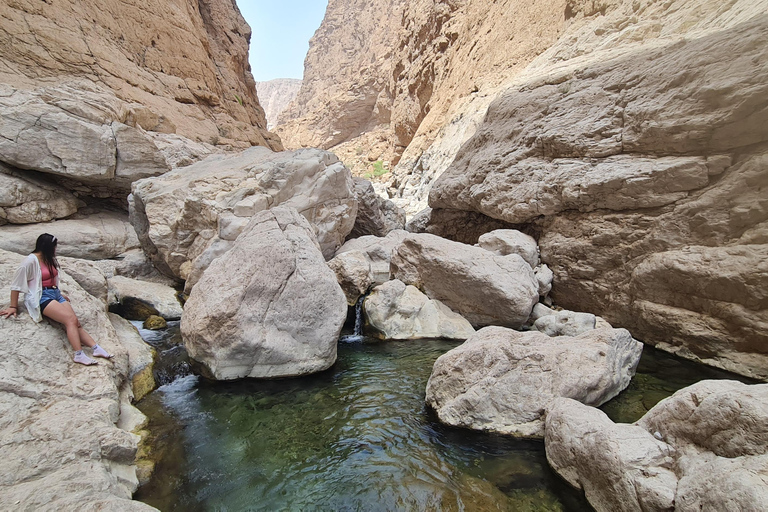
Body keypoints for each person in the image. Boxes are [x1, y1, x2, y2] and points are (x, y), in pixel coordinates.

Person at [0, 233, 113, 365]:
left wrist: (58, 292)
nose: (56, 249)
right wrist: (13, 306)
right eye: (54, 247)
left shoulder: (48, 259)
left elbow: (53, 278)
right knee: (70, 320)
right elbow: (17, 285)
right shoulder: (30, 261)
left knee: (75, 321)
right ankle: (79, 354)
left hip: (55, 294)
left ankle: (95, 348)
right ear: (48, 247)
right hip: (41, 296)